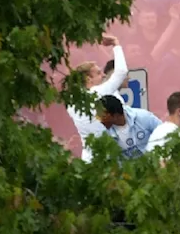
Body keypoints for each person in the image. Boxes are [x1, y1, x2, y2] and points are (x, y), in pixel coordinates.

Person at [69, 34, 128, 162]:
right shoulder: (97, 93)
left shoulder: (71, 101)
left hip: (88, 159)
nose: (103, 76)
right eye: (98, 73)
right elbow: (122, 72)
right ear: (88, 78)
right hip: (108, 159)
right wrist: (116, 43)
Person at [95, 94, 162, 160]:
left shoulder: (143, 117)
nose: (101, 121)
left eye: (103, 117)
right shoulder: (103, 133)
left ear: (115, 115)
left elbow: (164, 133)